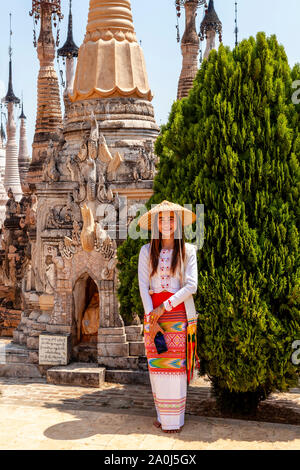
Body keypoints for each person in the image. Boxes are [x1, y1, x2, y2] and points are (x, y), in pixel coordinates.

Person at [138, 200, 199, 433]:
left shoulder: (188, 251)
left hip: (178, 317)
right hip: (153, 318)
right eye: (161, 219)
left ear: (178, 223)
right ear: (155, 224)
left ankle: (176, 420)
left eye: (171, 218)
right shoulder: (146, 251)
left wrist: (164, 307)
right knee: (158, 367)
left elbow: (191, 286)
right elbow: (143, 286)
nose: (166, 223)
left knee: (175, 368)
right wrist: (150, 319)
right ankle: (163, 417)